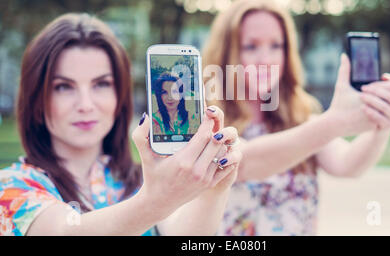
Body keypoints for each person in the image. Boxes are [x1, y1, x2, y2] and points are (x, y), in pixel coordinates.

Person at [0, 13, 242, 236]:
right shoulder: (11, 186)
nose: (85, 104)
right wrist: (155, 200)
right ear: (36, 100)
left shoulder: (139, 181)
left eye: (101, 84)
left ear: (119, 95)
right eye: (63, 87)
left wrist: (215, 190)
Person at [202, 0, 390, 235]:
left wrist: (383, 122)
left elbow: (348, 165)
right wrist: (336, 122)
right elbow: (245, 162)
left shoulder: (302, 118)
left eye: (276, 46)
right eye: (251, 46)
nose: (266, 59)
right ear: (227, 52)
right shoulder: (210, 121)